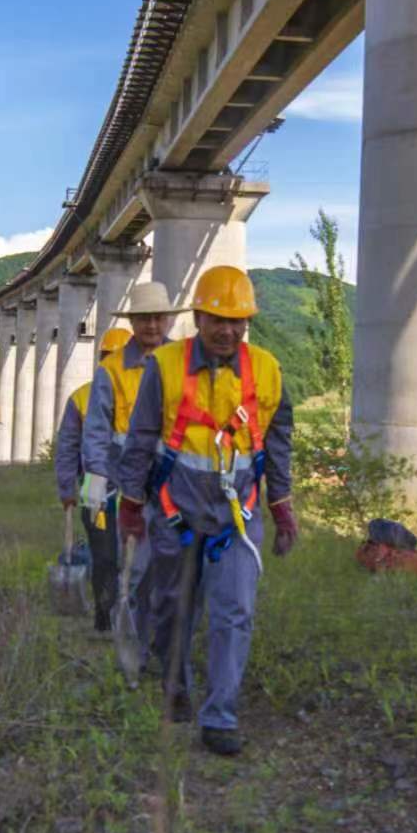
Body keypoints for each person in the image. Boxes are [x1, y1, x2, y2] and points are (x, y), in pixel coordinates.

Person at [116, 266, 296, 756]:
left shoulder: (267, 371)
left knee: (234, 612)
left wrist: (282, 507)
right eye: (218, 320)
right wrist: (131, 506)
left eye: (238, 322)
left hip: (238, 518)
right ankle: (175, 684)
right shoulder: (166, 367)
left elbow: (278, 445)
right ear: (198, 316)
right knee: (174, 609)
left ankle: (220, 716)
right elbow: (140, 440)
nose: (228, 331)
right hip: (177, 516)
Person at [83, 281, 182, 658]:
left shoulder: (183, 361)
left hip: (178, 482)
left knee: (172, 568)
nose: (152, 326)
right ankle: (138, 650)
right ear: (133, 322)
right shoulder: (110, 371)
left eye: (158, 318)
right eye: (144, 319)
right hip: (131, 486)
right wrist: (94, 479)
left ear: (168, 320)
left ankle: (167, 644)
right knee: (138, 570)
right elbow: (96, 431)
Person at [56, 327, 132, 630]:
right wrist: (67, 489)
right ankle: (105, 618)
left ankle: (126, 618)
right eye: (108, 358)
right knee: (105, 556)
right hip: (94, 488)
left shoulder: (143, 392)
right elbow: (67, 449)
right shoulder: (81, 399)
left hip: (134, 490)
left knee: (129, 558)